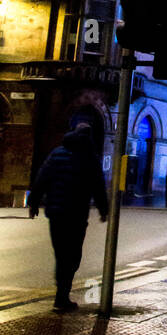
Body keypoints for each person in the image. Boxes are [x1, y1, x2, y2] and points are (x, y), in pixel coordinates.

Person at [28, 122, 109, 310]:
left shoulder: (57, 153)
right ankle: (62, 295)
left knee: (61, 254)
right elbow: (98, 186)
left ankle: (61, 295)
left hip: (56, 213)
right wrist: (103, 209)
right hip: (76, 215)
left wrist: (33, 203)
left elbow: (42, 178)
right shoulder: (90, 157)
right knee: (72, 256)